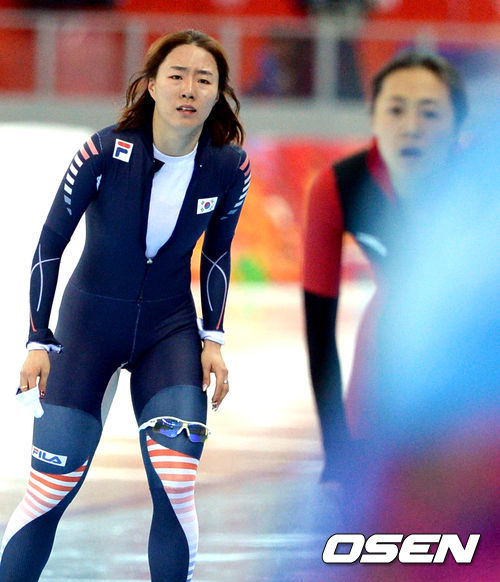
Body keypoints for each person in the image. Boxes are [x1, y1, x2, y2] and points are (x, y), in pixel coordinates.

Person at [0, 29, 250, 582]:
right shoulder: (103, 150)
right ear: (152, 85)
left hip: (169, 331)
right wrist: (38, 340)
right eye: (176, 76)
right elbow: (50, 243)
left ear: (218, 93)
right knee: (48, 493)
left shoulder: (230, 166)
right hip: (87, 330)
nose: (189, 89)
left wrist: (213, 339)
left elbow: (218, 253)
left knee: (176, 483)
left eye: (203, 79)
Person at [302, 49, 467, 484]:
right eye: (395, 110)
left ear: (457, 126)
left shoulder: (486, 186)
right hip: (388, 346)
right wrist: (336, 448)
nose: (411, 127)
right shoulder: (338, 186)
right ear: (373, 119)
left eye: (429, 113)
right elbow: (319, 326)